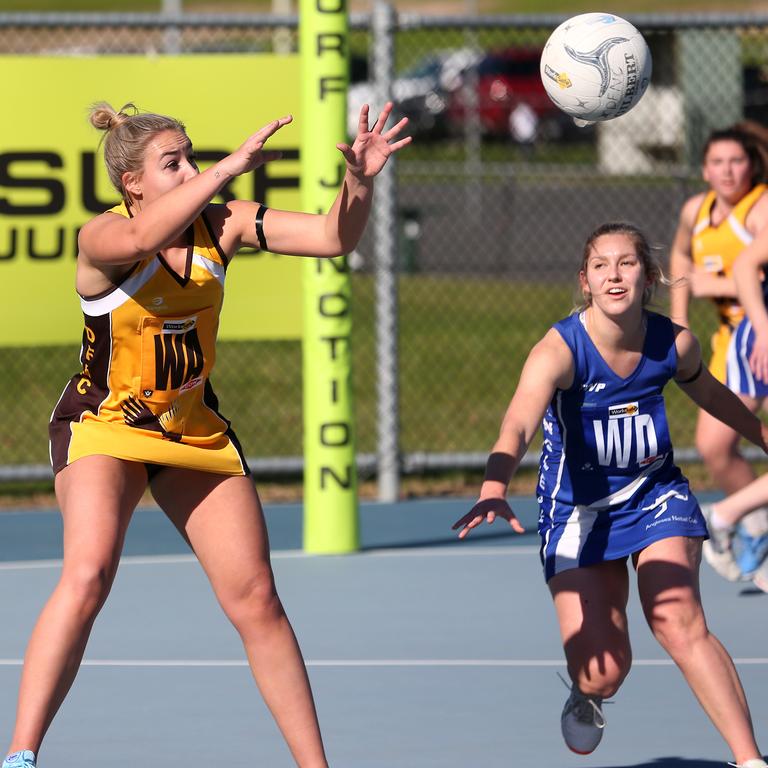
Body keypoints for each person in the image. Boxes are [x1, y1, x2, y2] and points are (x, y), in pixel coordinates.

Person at [2, 100, 410, 768]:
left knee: (256, 597)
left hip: (190, 429)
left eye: (192, 156)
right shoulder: (103, 238)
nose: (190, 169)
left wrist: (359, 182)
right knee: (89, 573)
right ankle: (21, 755)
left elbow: (334, 237)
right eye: (174, 163)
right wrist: (224, 170)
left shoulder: (222, 225)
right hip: (104, 424)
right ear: (133, 184)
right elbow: (139, 243)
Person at [452, 222, 767, 768]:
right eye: (601, 265)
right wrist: (493, 485)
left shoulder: (673, 342)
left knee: (678, 620)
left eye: (627, 263)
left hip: (654, 497)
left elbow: (714, 395)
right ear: (586, 281)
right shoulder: (559, 350)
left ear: (648, 277)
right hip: (578, 512)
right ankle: (588, 692)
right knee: (605, 668)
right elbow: (517, 422)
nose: (614, 274)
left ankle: (750, 759)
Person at [669, 125, 768, 581]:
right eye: (718, 162)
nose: (727, 171)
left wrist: (713, 284)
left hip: (755, 330)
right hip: (743, 337)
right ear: (705, 168)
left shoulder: (758, 208)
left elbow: (748, 272)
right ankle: (753, 521)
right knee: (713, 444)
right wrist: (681, 318)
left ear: (752, 165)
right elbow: (680, 259)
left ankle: (737, 514)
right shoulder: (698, 211)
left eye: (736, 161)